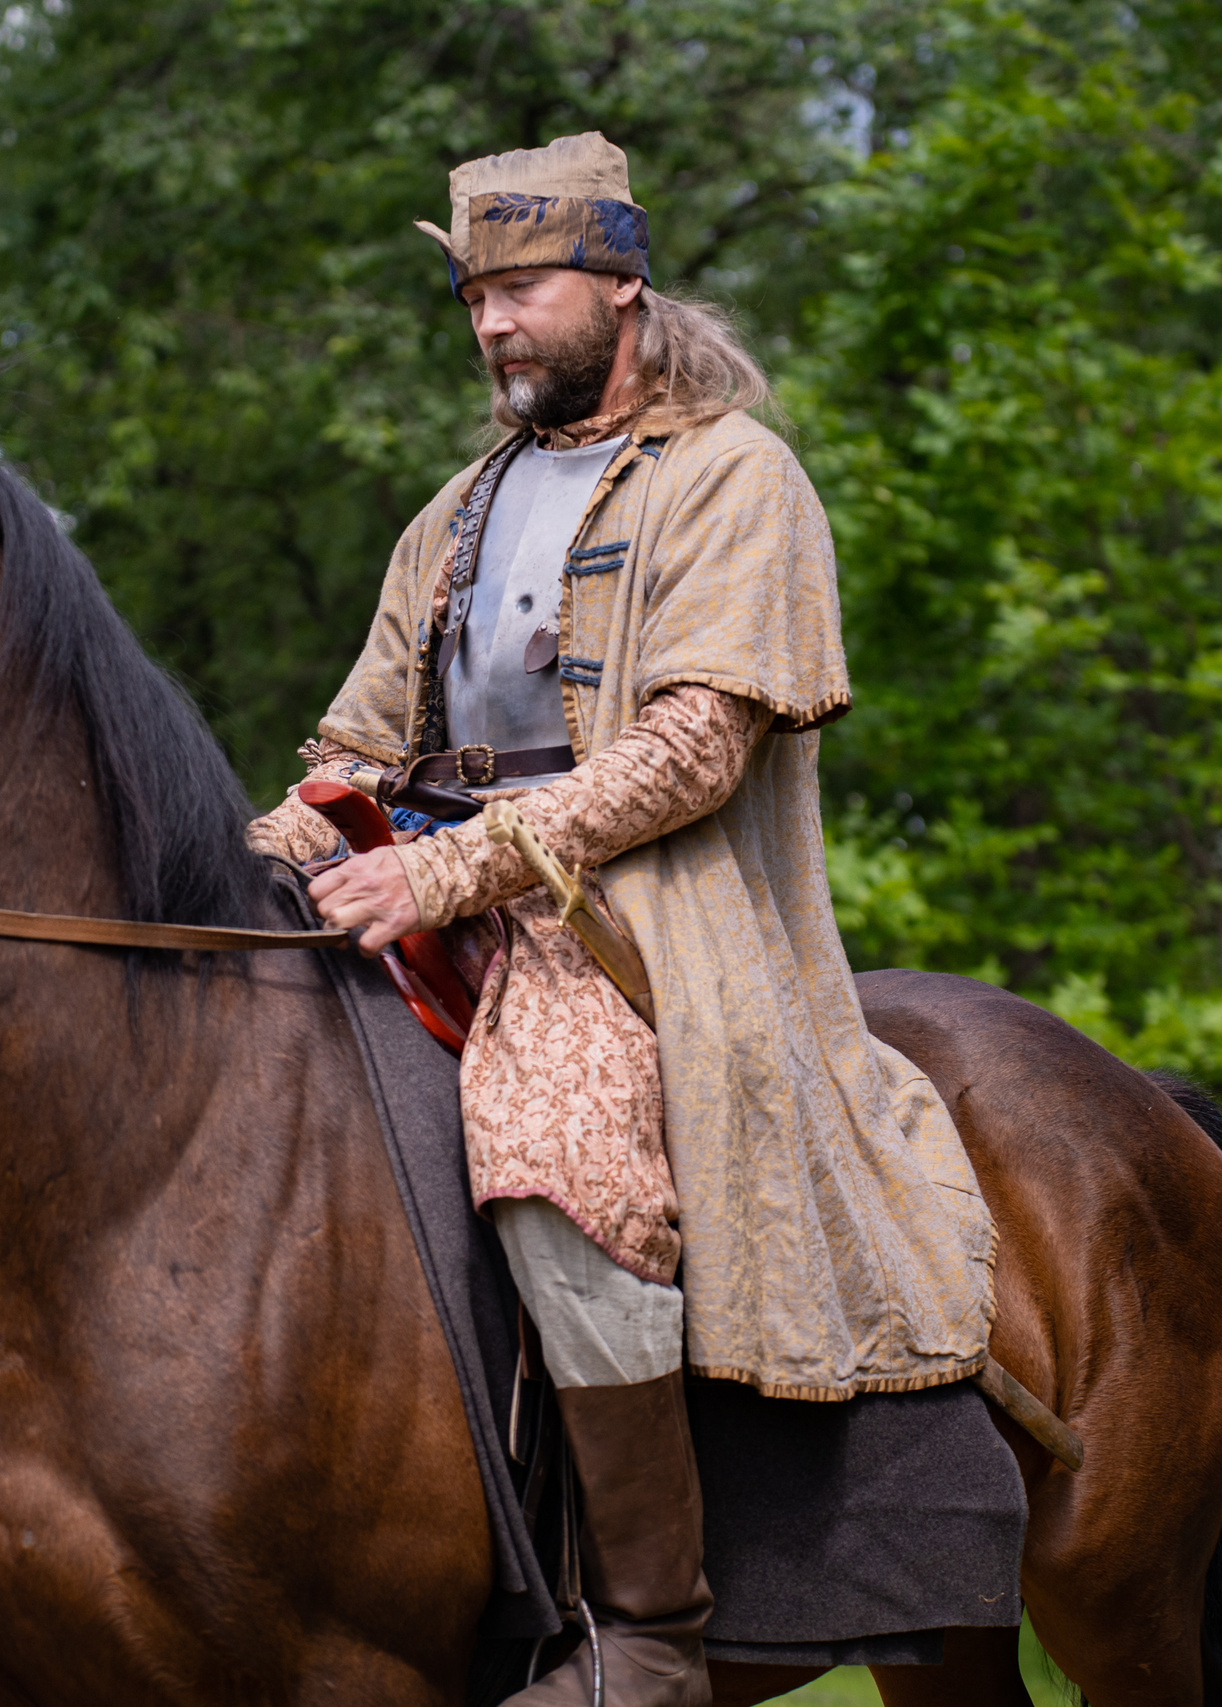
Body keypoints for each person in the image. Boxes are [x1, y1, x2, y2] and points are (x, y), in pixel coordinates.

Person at [250, 135, 996, 1705]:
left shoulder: (739, 476)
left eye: (522, 288)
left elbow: (692, 752)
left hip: (641, 922)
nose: (492, 323)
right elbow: (356, 749)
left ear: (623, 286)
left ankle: (652, 1627)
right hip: (433, 893)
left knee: (553, 1155)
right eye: (475, 297)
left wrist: (448, 872)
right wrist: (250, 854)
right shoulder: (455, 512)